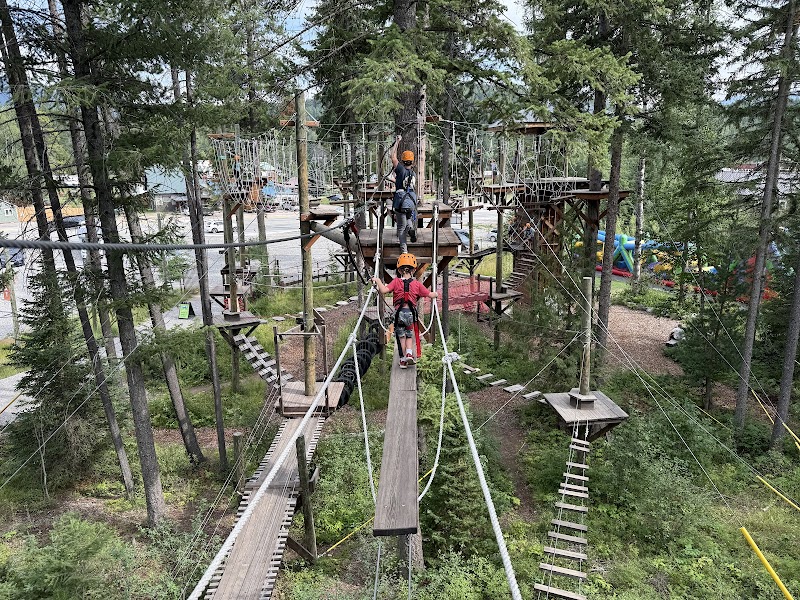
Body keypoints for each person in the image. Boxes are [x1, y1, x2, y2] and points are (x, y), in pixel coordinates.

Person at [372, 252, 438, 369]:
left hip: (399, 315)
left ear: (400, 270)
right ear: (413, 270)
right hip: (410, 314)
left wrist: (377, 281)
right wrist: (435, 294)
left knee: (401, 336)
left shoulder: (396, 282)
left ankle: (403, 361)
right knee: (409, 335)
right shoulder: (417, 284)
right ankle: (409, 353)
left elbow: (383, 290)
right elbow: (430, 294)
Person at [390, 135, 417, 253]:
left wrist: (397, 142)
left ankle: (404, 251)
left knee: (401, 227)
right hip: (411, 200)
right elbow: (405, 184)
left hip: (401, 200)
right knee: (409, 216)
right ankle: (410, 227)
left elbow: (392, 156)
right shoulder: (413, 173)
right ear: (412, 161)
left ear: (403, 160)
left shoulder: (400, 169)